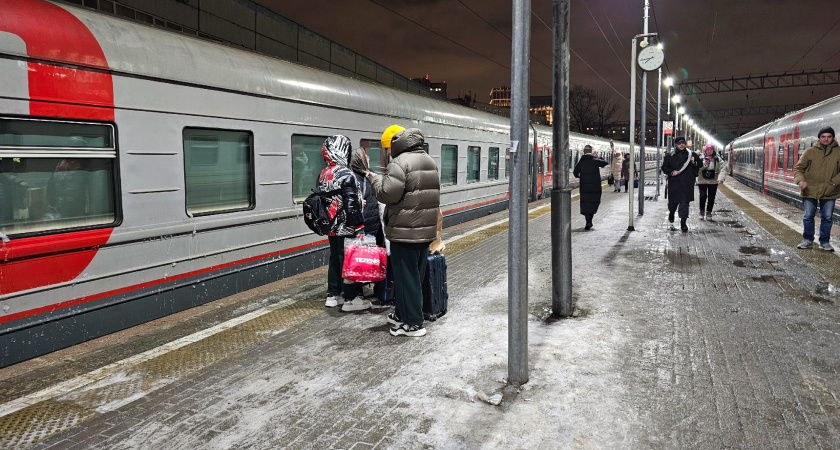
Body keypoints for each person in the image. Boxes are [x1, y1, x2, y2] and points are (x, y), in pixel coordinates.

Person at [371, 127, 440, 337]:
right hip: (424, 232)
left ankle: (414, 324)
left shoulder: (399, 163)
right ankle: (402, 314)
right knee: (413, 278)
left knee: (404, 278)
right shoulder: (429, 160)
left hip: (405, 231)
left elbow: (386, 194)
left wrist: (375, 180)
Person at [317, 135, 370, 311]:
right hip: (346, 225)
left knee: (335, 258)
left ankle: (333, 295)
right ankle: (351, 299)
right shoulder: (347, 174)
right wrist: (359, 226)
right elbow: (351, 204)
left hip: (331, 226)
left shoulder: (324, 174)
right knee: (349, 260)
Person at [793, 126, 840, 251]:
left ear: (833, 138)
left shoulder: (838, 152)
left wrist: (834, 183)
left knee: (827, 217)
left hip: (830, 190)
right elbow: (798, 168)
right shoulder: (810, 152)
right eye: (823, 137)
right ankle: (807, 239)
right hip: (810, 190)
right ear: (819, 138)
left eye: (829, 136)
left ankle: (825, 242)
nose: (826, 139)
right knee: (808, 216)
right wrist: (800, 180)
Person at [349, 147, 388, 301]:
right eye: (366, 157)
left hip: (375, 224)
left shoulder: (368, 174)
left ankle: (378, 288)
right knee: (360, 259)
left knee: (373, 258)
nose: (369, 159)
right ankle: (356, 293)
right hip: (364, 226)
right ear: (360, 160)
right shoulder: (354, 177)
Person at [661, 136, 700, 232]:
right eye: (679, 143)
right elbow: (664, 168)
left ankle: (683, 223)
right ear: (676, 145)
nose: (681, 144)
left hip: (687, 183)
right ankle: (671, 213)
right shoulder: (670, 155)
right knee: (673, 203)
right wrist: (671, 172)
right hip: (674, 183)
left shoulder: (692, 154)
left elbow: (700, 164)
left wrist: (694, 162)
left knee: (684, 204)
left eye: (683, 142)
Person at [573, 145, 609, 230]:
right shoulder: (595, 161)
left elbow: (575, 173)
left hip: (584, 187)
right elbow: (605, 162)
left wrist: (581, 177)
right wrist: (599, 156)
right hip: (595, 187)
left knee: (585, 204)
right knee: (593, 203)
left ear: (584, 153)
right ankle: (590, 220)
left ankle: (588, 221)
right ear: (592, 152)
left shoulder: (581, 162)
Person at [696, 143, 726, 220]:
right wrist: (704, 165)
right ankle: (701, 211)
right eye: (708, 150)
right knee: (702, 196)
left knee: (711, 197)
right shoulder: (700, 158)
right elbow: (696, 169)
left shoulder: (717, 159)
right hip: (702, 180)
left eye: (711, 149)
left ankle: (709, 212)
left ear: (713, 150)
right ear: (705, 150)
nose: (709, 151)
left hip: (713, 181)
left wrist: (720, 179)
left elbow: (723, 168)